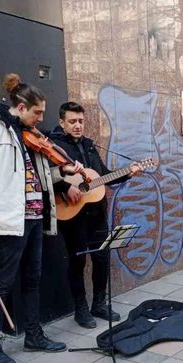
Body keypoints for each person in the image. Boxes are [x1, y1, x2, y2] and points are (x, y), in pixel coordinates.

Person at [0, 74, 84, 363]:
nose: (40, 119)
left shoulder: (30, 135)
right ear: (20, 106)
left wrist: (68, 171)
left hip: (35, 215)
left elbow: (41, 174)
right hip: (9, 218)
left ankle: (33, 334)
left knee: (33, 278)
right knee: (3, 282)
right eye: (37, 112)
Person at [49, 102, 144, 329]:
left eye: (81, 121)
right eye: (72, 121)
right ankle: (80, 309)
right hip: (72, 215)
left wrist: (129, 173)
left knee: (102, 258)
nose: (78, 125)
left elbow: (103, 177)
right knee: (78, 261)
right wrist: (65, 187)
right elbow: (47, 177)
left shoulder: (90, 147)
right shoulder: (54, 147)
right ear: (62, 122)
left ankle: (99, 303)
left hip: (96, 213)